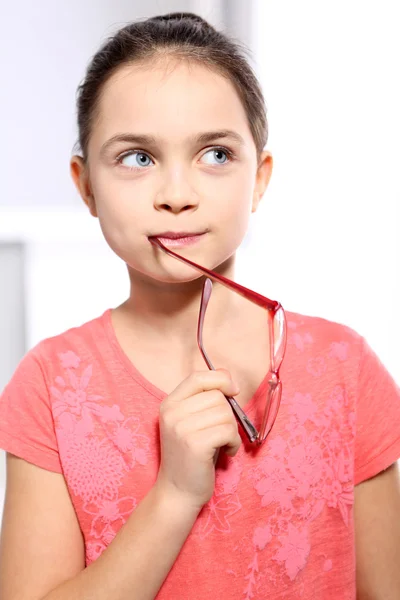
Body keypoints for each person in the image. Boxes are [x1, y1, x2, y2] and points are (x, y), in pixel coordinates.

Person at [0, 11, 399, 600]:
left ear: (259, 177)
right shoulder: (50, 384)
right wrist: (175, 495)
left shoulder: (345, 368)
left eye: (215, 154)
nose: (178, 196)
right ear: (86, 187)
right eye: (138, 157)